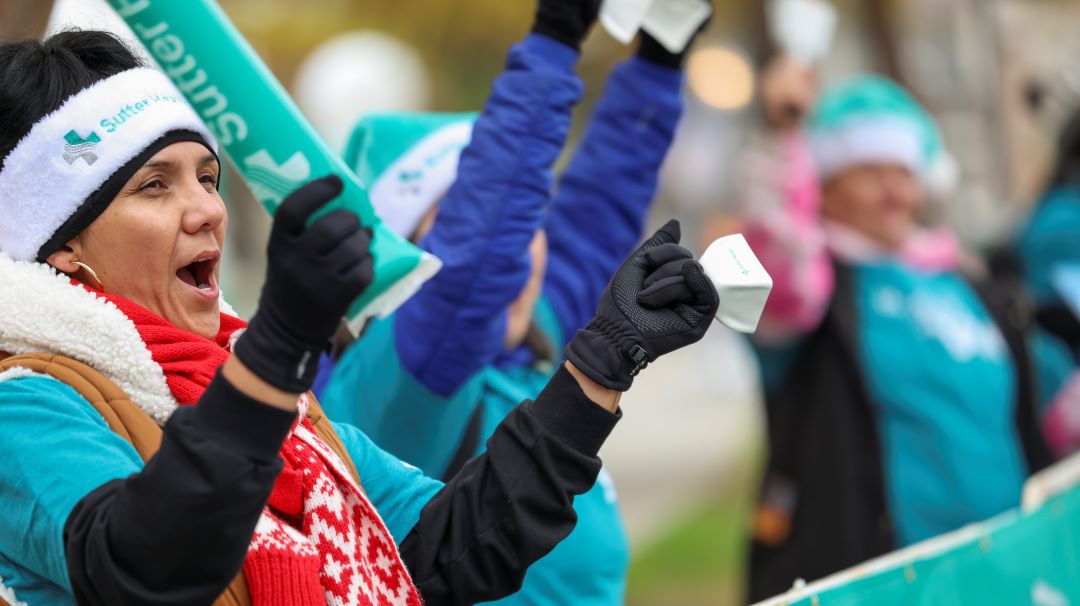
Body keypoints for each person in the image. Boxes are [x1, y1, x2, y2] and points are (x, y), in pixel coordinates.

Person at [0, 30, 720, 606]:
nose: (207, 210)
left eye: (208, 178)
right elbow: (146, 565)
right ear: (61, 242)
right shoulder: (25, 401)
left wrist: (602, 363)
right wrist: (279, 345)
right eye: (154, 186)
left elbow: (449, 551)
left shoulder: (281, 413)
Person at [318, 1, 706, 603]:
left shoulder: (537, 331)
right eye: (461, 222)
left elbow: (602, 199)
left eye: (533, 226)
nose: (520, 258)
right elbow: (477, 263)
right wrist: (554, 39)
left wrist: (661, 54)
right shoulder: (394, 389)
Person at [739, 67, 1061, 601]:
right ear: (824, 184)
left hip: (1004, 567)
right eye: (868, 170)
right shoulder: (815, 286)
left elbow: (1034, 394)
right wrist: (785, 138)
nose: (892, 188)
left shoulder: (964, 279)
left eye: (903, 171)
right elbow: (778, 254)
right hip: (888, 579)